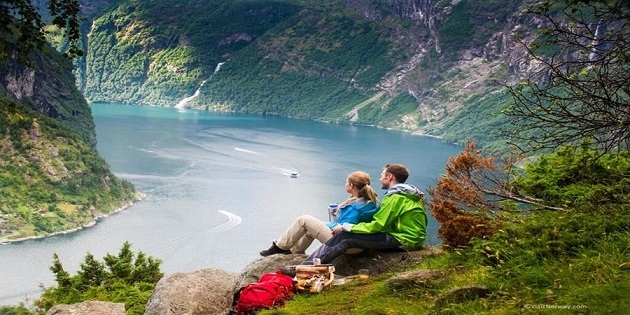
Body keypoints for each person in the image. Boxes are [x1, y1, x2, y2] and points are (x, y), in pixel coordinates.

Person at [301, 164, 426, 265]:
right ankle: (309, 264)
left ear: (389, 177)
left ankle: (306, 267)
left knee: (345, 237)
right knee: (347, 236)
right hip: (412, 238)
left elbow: (378, 225)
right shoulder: (410, 195)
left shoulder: (396, 197)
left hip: (403, 240)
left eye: (382, 175)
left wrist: (346, 227)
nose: (380, 179)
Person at [259, 171, 379, 256]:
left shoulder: (356, 206)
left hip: (347, 245)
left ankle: (280, 247)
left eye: (346, 182)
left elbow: (344, 227)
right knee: (311, 227)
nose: (345, 184)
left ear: (351, 185)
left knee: (304, 220)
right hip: (358, 244)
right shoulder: (370, 203)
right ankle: (295, 253)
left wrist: (326, 225)